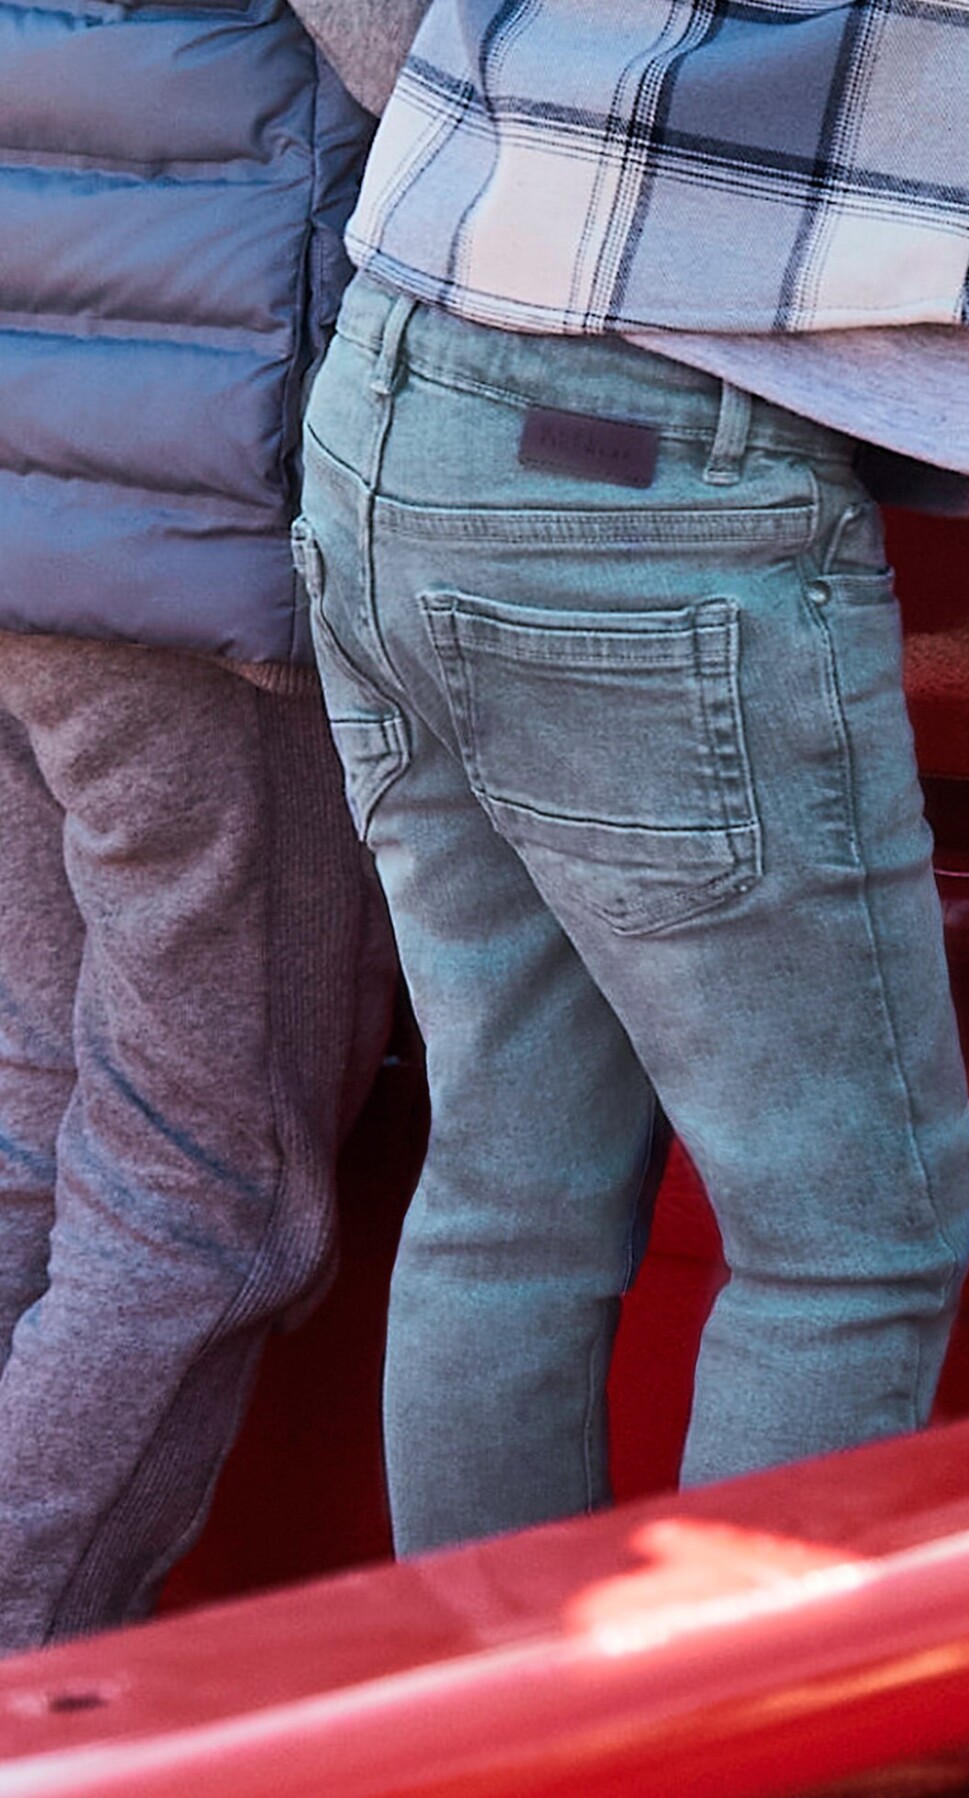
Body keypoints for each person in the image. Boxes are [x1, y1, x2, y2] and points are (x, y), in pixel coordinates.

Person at [293, 1, 969, 1558]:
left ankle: (484, 1702)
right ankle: (740, 1705)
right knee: (848, 1245)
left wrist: (556, 140)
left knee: (509, 1191)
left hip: (402, 375)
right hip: (659, 459)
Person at [0, 0, 402, 1652]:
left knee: (34, 1133)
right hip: (193, 550)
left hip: (41, 501)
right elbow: (454, 82)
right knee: (207, 1190)